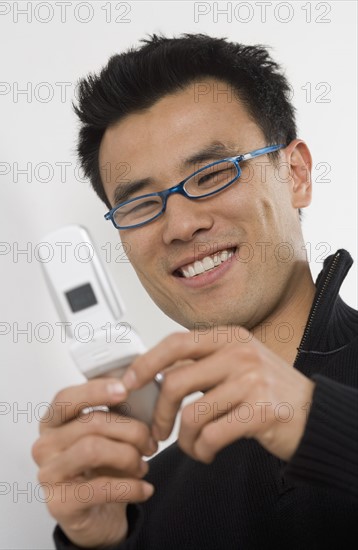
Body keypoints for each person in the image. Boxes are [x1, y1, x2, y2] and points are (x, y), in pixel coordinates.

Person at [32, 33, 358, 549]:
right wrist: (104, 544)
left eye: (211, 174)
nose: (180, 226)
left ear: (295, 174)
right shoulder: (149, 491)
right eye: (140, 205)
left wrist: (322, 428)